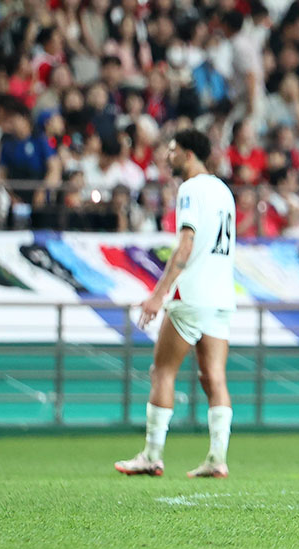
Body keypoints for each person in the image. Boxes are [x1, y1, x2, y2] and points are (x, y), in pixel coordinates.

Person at [115, 129, 237, 479]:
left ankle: (152, 455)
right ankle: (217, 457)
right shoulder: (223, 190)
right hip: (221, 296)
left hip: (193, 293)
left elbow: (186, 244)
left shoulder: (190, 190)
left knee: (162, 371)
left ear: (186, 154)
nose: (167, 156)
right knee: (214, 376)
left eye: (172, 150)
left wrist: (158, 294)